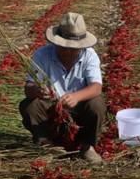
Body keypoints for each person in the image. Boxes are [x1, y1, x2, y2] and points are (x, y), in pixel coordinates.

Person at [19, 12, 106, 165]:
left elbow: (96, 87)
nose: (68, 52)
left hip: (79, 111)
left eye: (73, 49)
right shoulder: (42, 55)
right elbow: (28, 87)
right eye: (64, 47)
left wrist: (77, 97)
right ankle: (46, 144)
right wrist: (38, 91)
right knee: (29, 105)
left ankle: (87, 146)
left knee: (97, 104)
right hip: (51, 109)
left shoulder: (89, 55)